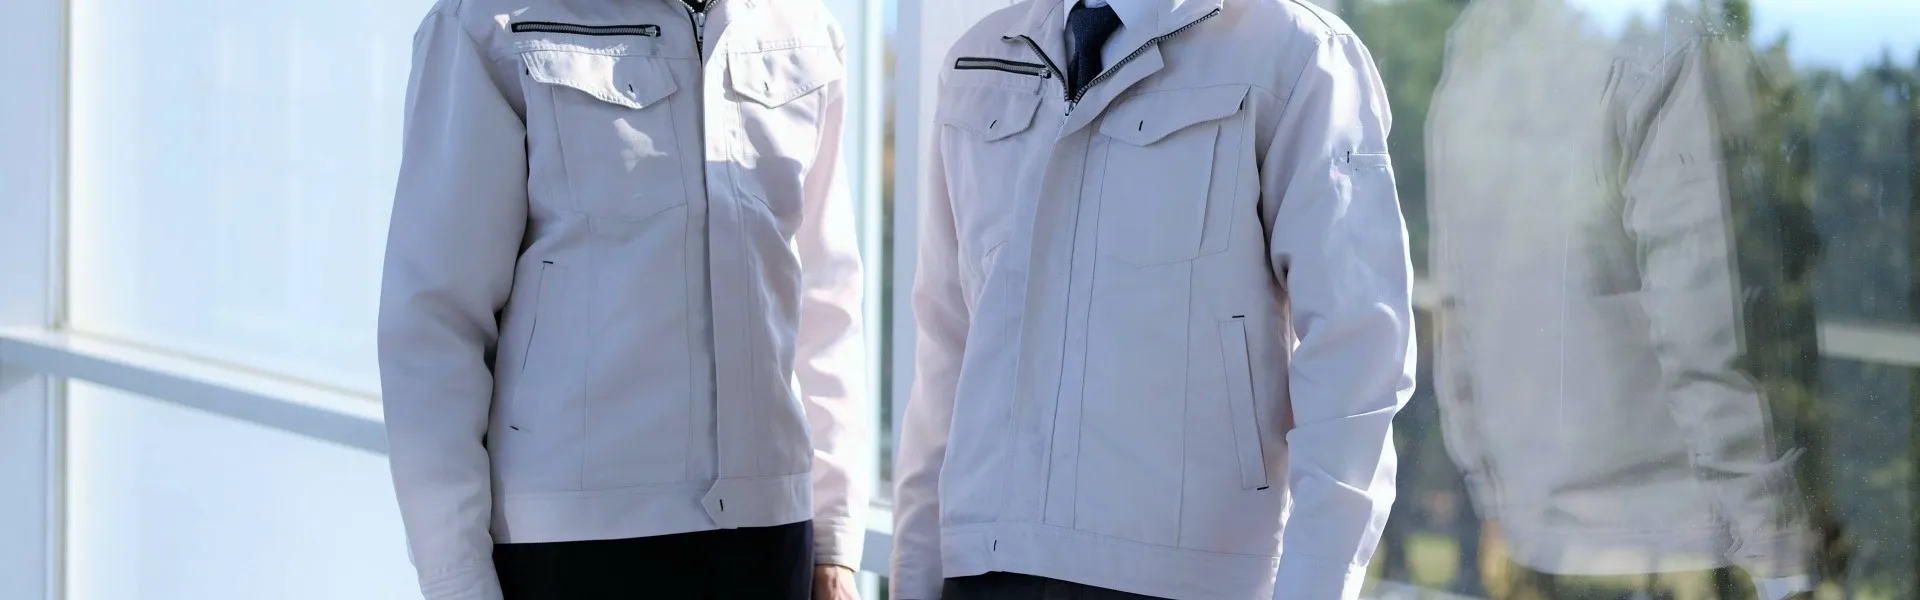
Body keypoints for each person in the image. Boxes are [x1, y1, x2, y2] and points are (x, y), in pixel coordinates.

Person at [890, 0, 1414, 598]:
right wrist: (915, 577)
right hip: (982, 568)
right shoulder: (977, 63)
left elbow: (1356, 356)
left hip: (1187, 577)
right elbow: (947, 353)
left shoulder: (1299, 56)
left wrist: (1315, 585)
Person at [378, 0, 867, 598]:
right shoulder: (485, 23)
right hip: (571, 544)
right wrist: (457, 579)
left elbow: (826, 302)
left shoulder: (804, 29)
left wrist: (835, 541)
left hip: (772, 536)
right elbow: (436, 320)